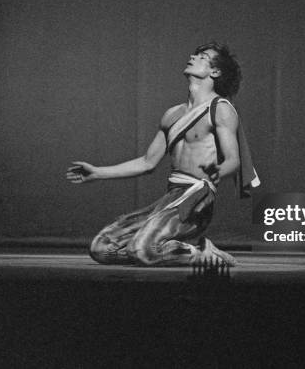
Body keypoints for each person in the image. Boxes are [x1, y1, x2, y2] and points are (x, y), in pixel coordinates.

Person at [66, 42, 259, 266]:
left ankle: (202, 254)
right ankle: (182, 250)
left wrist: (220, 170)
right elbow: (148, 162)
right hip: (171, 198)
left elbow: (233, 160)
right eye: (195, 55)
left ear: (215, 72)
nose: (193, 57)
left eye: (203, 57)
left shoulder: (221, 109)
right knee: (101, 248)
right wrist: (98, 172)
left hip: (195, 199)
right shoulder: (172, 114)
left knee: (141, 249)